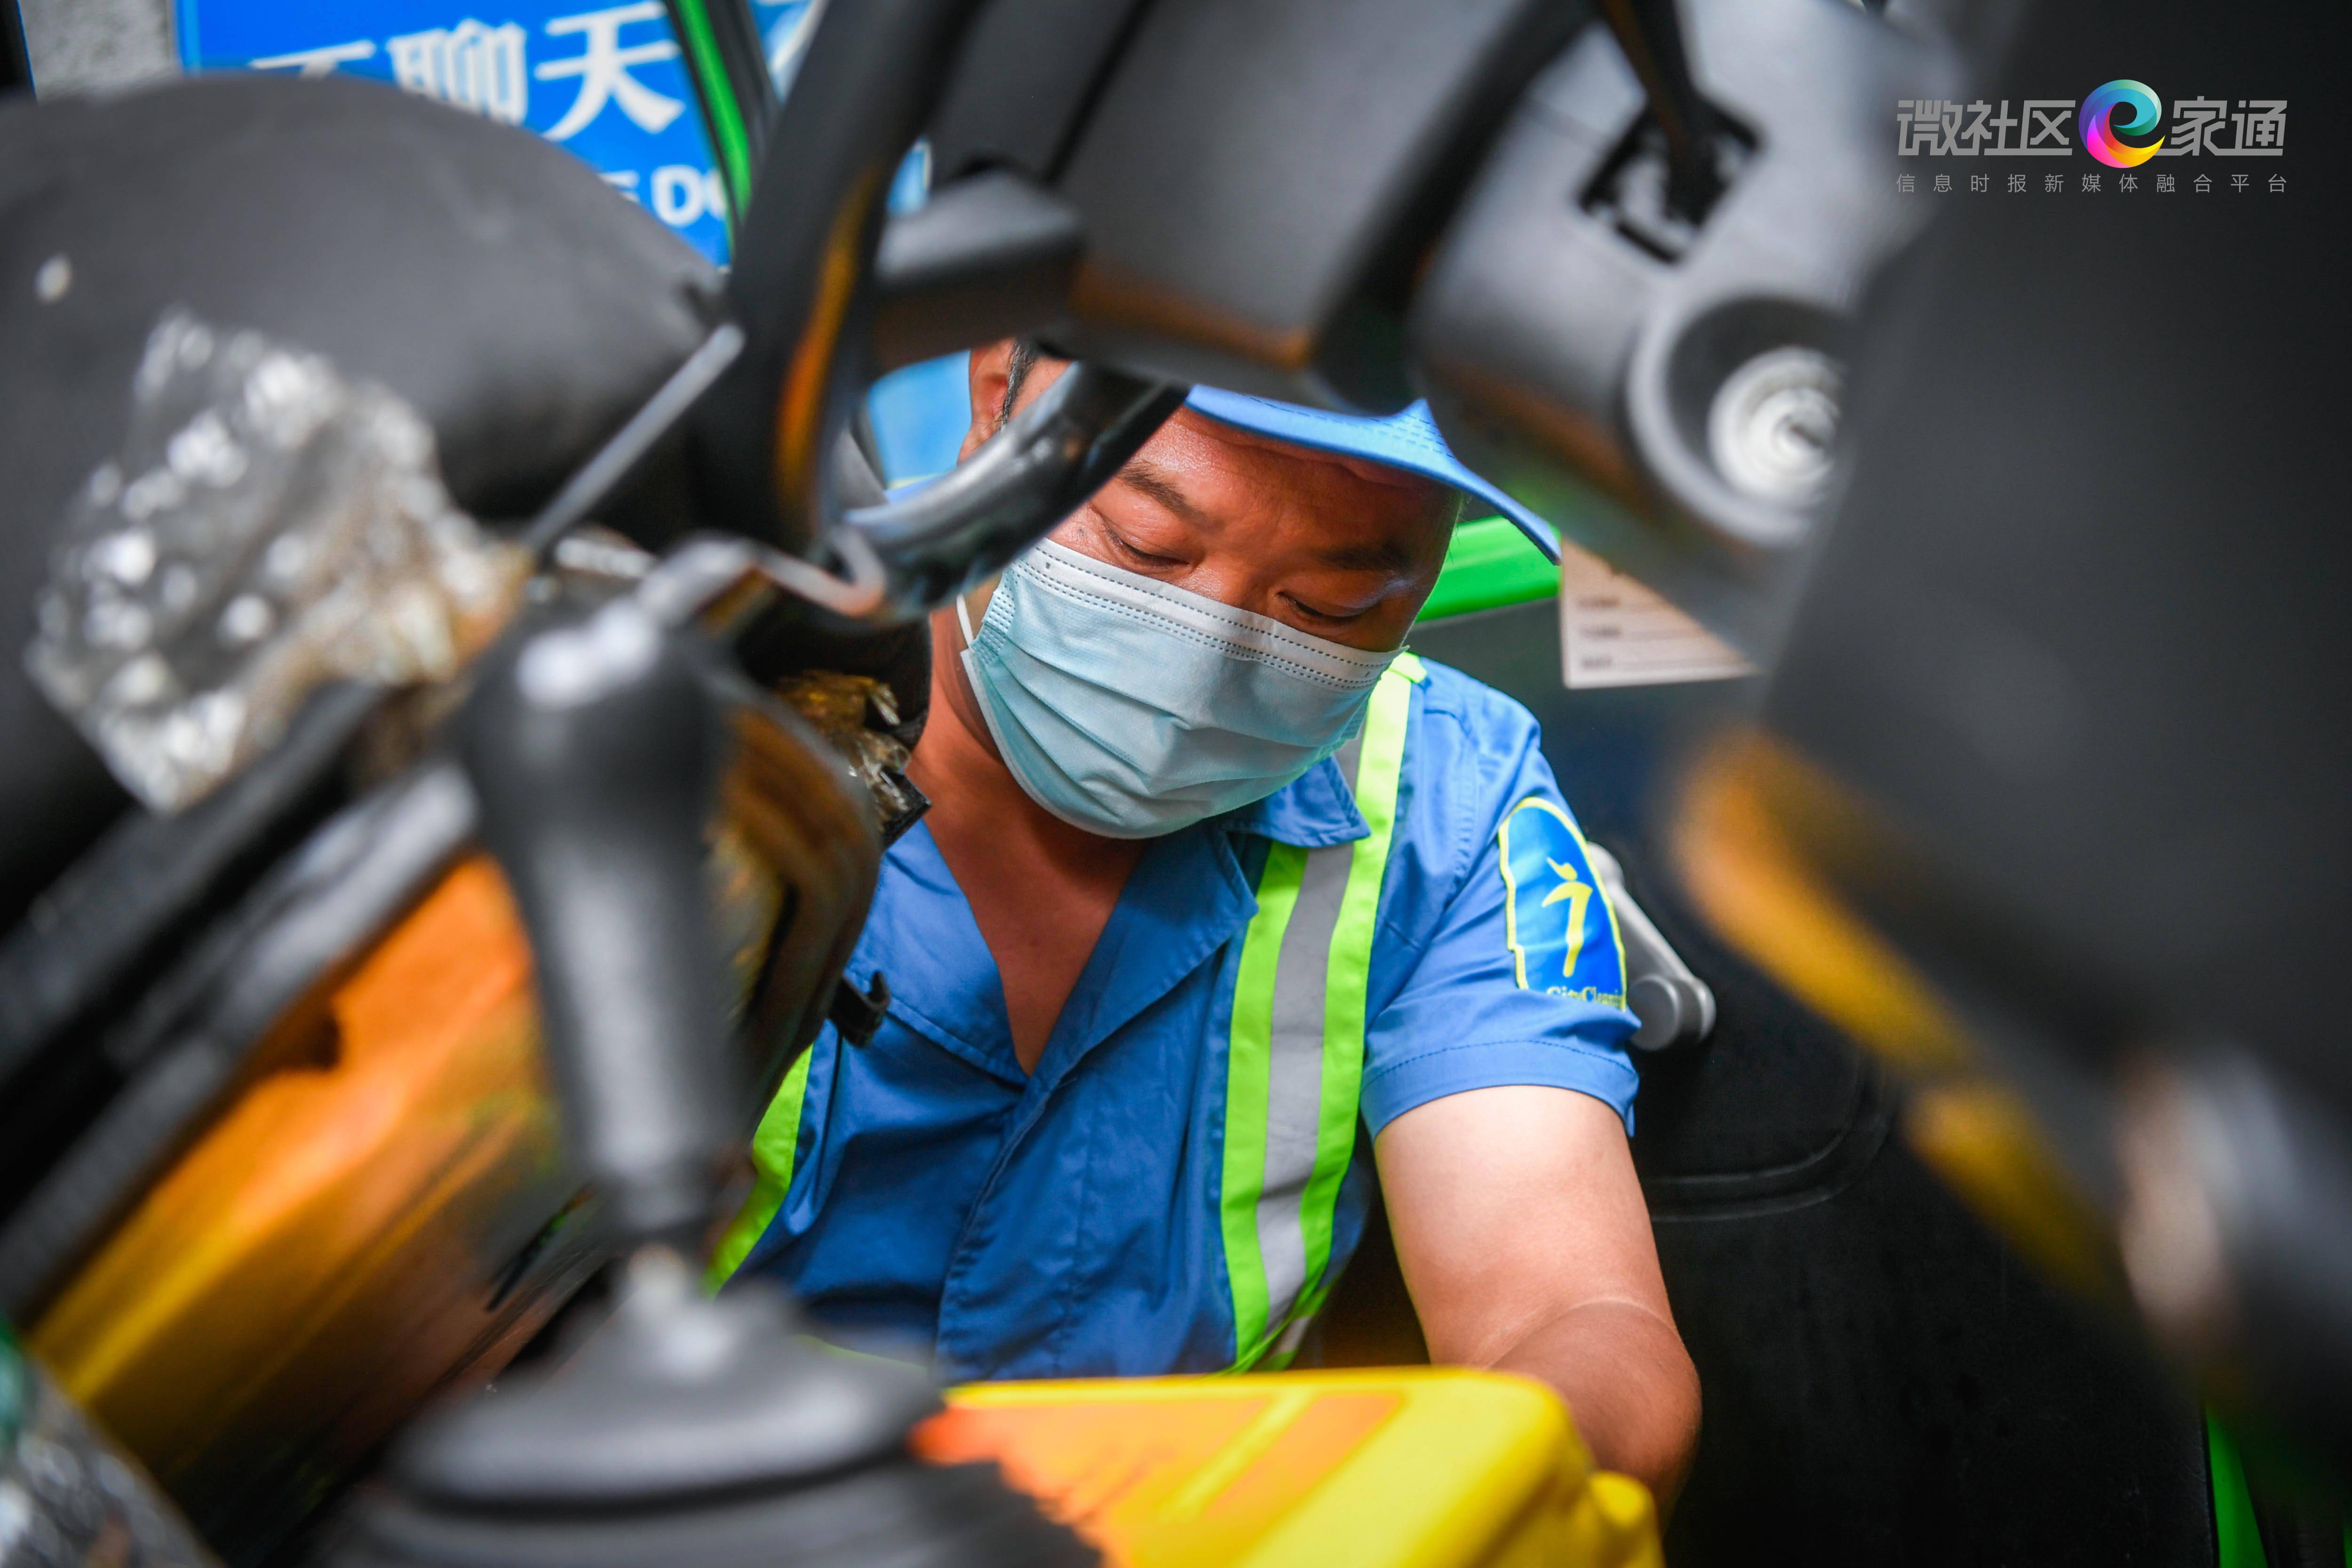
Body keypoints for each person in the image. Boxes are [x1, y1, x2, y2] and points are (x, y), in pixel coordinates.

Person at [714, 341, 1700, 1502]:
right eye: (1145, 545)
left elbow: (1574, 1316)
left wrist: (1430, 1505)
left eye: (1326, 604)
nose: (1203, 666)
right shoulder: (719, 724)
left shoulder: (1442, 796)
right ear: (1002, 395)